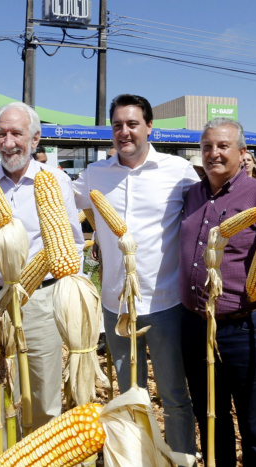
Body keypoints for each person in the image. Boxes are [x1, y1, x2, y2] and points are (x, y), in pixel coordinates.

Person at [73, 94, 199, 458]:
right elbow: (60, 201)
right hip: (116, 305)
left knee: (174, 396)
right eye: (117, 125)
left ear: (149, 127)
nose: (124, 132)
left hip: (165, 304)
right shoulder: (94, 174)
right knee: (129, 396)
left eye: (132, 124)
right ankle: (138, 459)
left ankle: (181, 460)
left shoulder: (178, 171)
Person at [0, 102, 84, 432]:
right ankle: (11, 451)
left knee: (43, 390)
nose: (8, 143)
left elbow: (72, 242)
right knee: (3, 389)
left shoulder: (55, 180)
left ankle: (44, 447)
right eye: (1, 134)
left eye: (16, 133)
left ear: (35, 139)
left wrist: (71, 294)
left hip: (41, 299)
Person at [180, 118, 256, 466]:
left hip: (245, 329)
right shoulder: (192, 194)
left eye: (223, 146)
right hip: (196, 326)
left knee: (255, 426)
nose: (214, 153)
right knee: (211, 419)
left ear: (241, 152)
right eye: (207, 147)